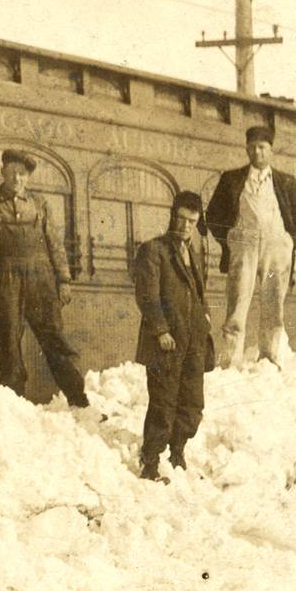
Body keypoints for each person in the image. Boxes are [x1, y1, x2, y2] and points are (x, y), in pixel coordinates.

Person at [0, 148, 90, 408]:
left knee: (55, 340)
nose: (16, 178)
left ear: (28, 178)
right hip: (4, 281)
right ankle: (15, 408)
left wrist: (64, 280)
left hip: (41, 280)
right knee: (9, 344)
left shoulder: (40, 205)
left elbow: (55, 244)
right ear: (2, 173)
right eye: (11, 172)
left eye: (22, 174)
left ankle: (79, 401)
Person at [203, 125, 296, 368]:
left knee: (273, 301)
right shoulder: (231, 179)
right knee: (238, 299)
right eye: (252, 147)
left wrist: (290, 242)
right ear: (246, 149)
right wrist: (229, 238)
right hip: (244, 247)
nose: (257, 152)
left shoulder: (285, 182)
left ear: (271, 150)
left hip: (276, 251)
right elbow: (212, 214)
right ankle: (231, 360)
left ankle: (270, 357)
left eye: (262, 147)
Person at [133, 191, 213, 482]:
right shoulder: (153, 250)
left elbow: (200, 292)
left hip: (193, 340)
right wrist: (161, 330)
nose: (185, 226)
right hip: (166, 341)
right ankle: (150, 461)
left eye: (191, 221)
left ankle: (177, 451)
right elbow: (147, 295)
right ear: (172, 216)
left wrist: (205, 317)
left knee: (192, 403)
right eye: (180, 219)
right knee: (163, 403)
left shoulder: (195, 251)